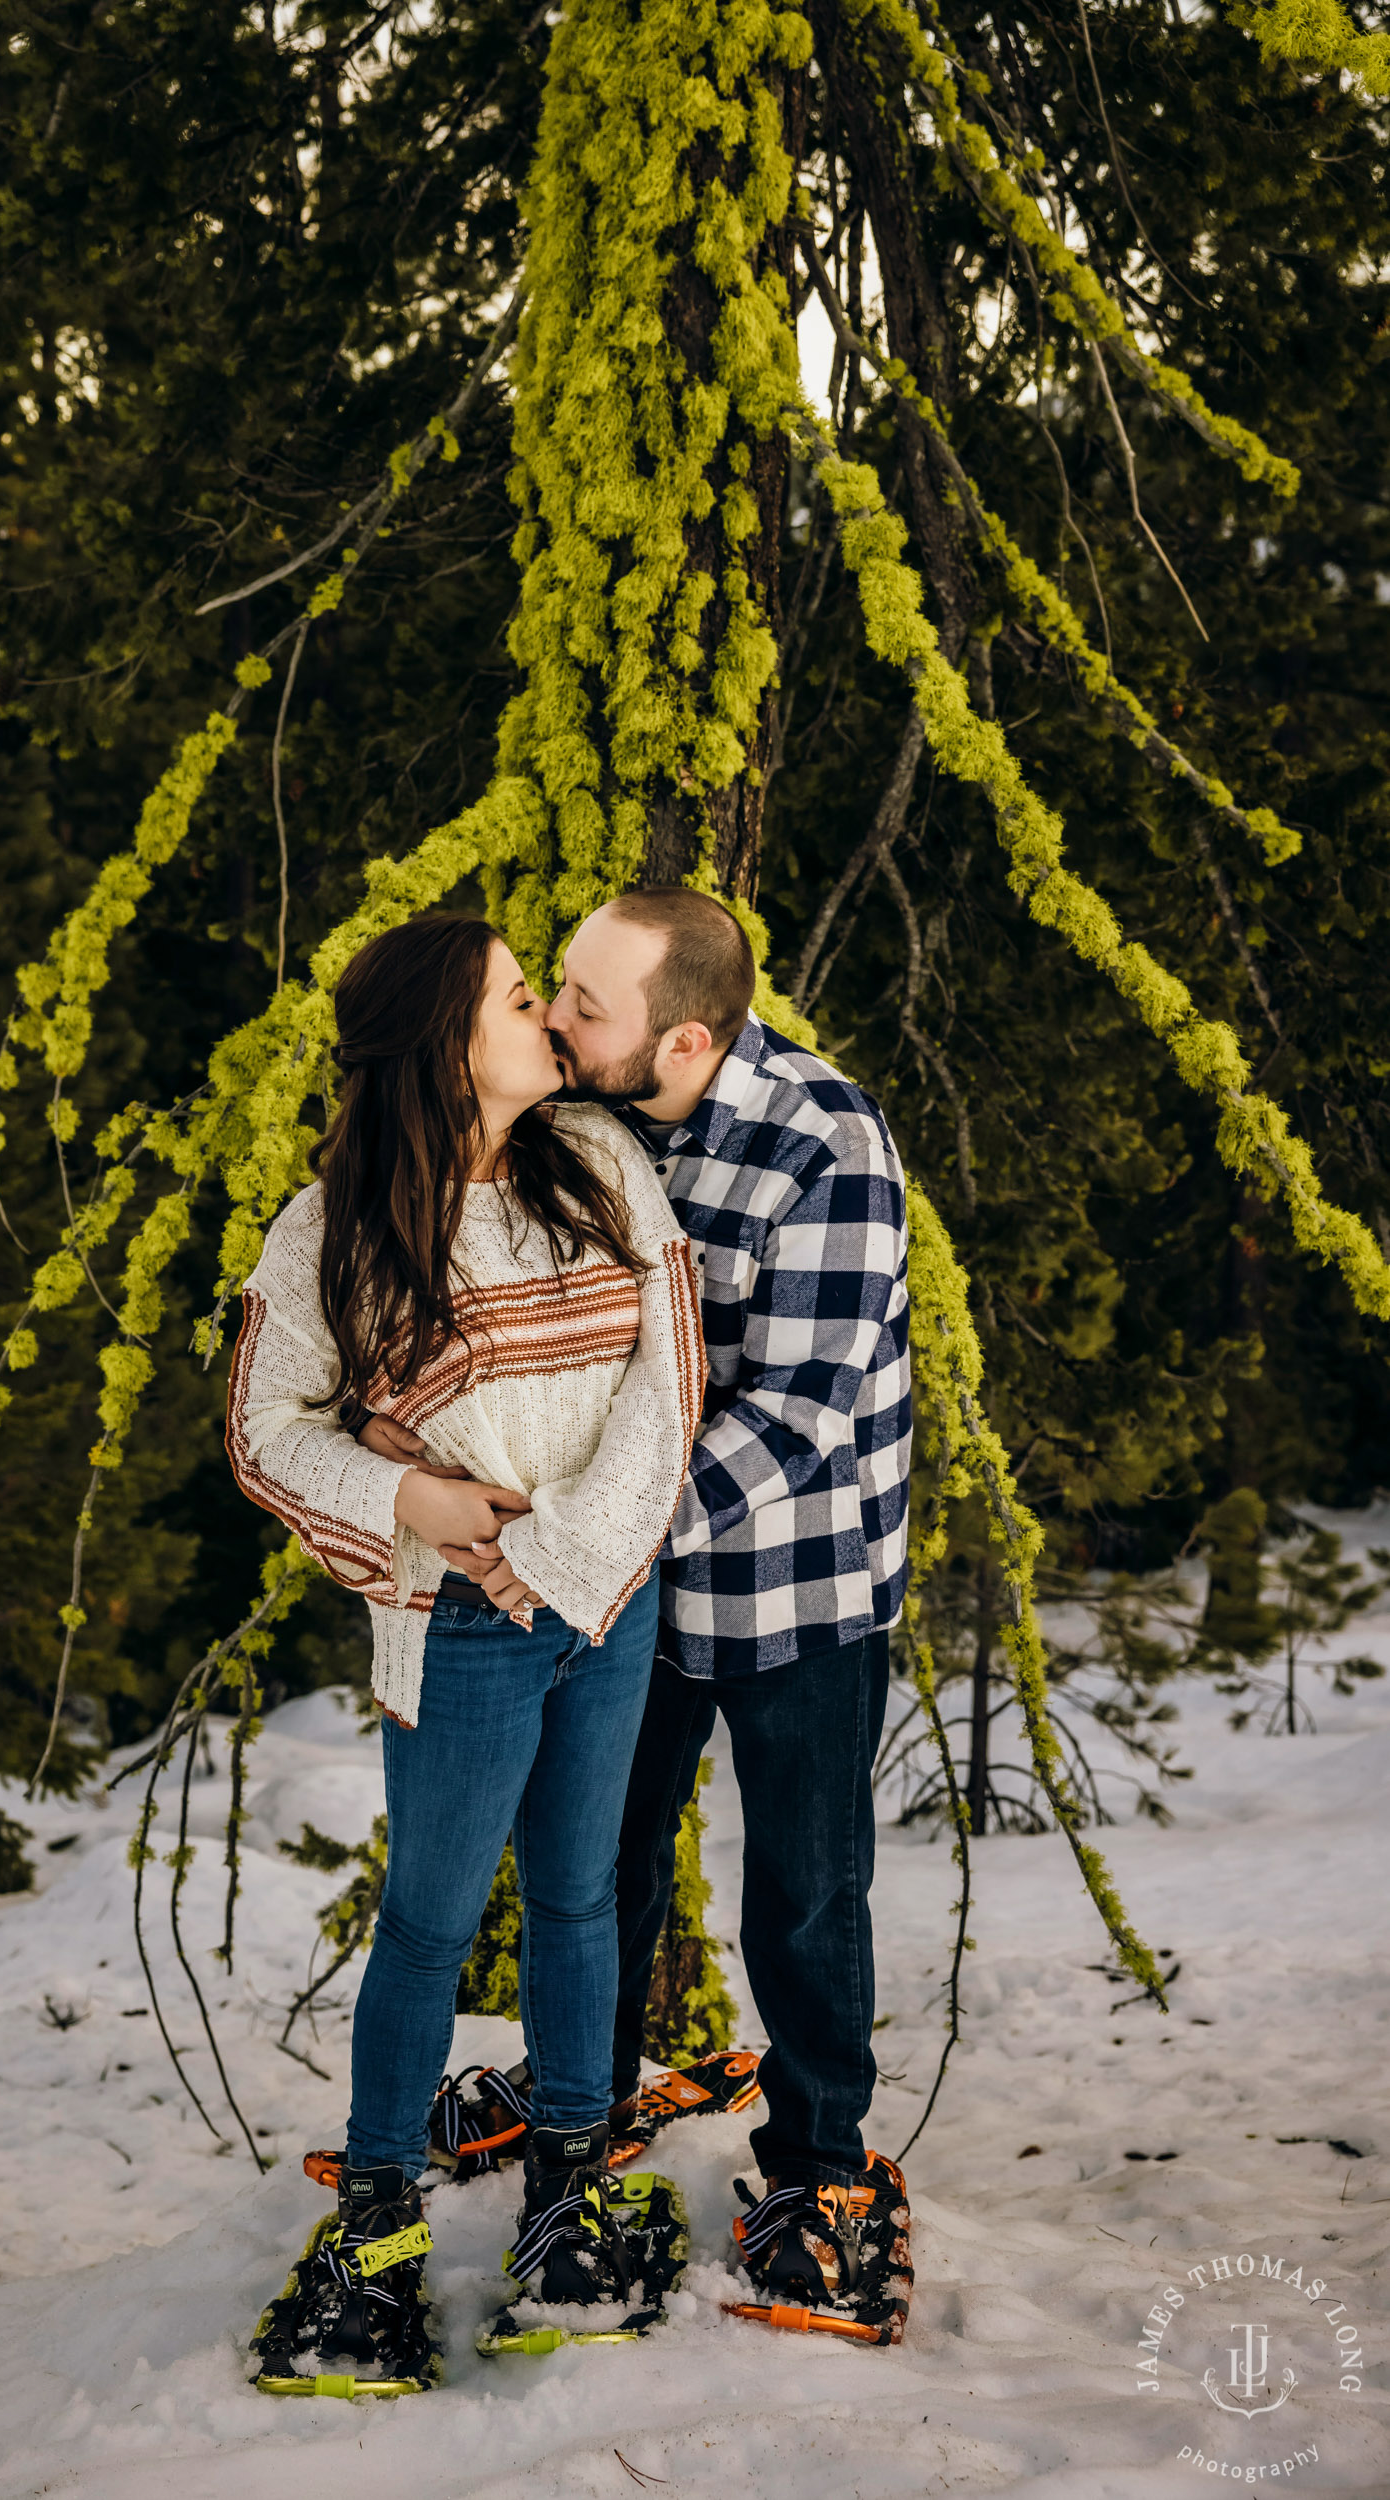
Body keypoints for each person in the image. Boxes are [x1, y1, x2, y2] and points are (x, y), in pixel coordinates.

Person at [363, 887, 914, 2344]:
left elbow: (797, 1414)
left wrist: (561, 1541)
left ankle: (818, 2164)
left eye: (584, 1006)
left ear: (681, 1035)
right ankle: (577, 2113)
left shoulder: (825, 1146)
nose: (553, 1016)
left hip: (797, 1583)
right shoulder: (590, 1123)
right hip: (624, 1590)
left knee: (802, 1890)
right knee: (597, 1862)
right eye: (549, 990)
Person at [225, 912, 703, 2391]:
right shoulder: (336, 1230)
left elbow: (667, 1367)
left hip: (598, 1610)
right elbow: (262, 1425)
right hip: (454, 1628)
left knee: (578, 1901)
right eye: (517, 998)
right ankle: (375, 2221)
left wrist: (568, 1562)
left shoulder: (603, 1167)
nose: (548, 1021)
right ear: (448, 1043)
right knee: (430, 1924)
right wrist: (410, 1497)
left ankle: (571, 2186)